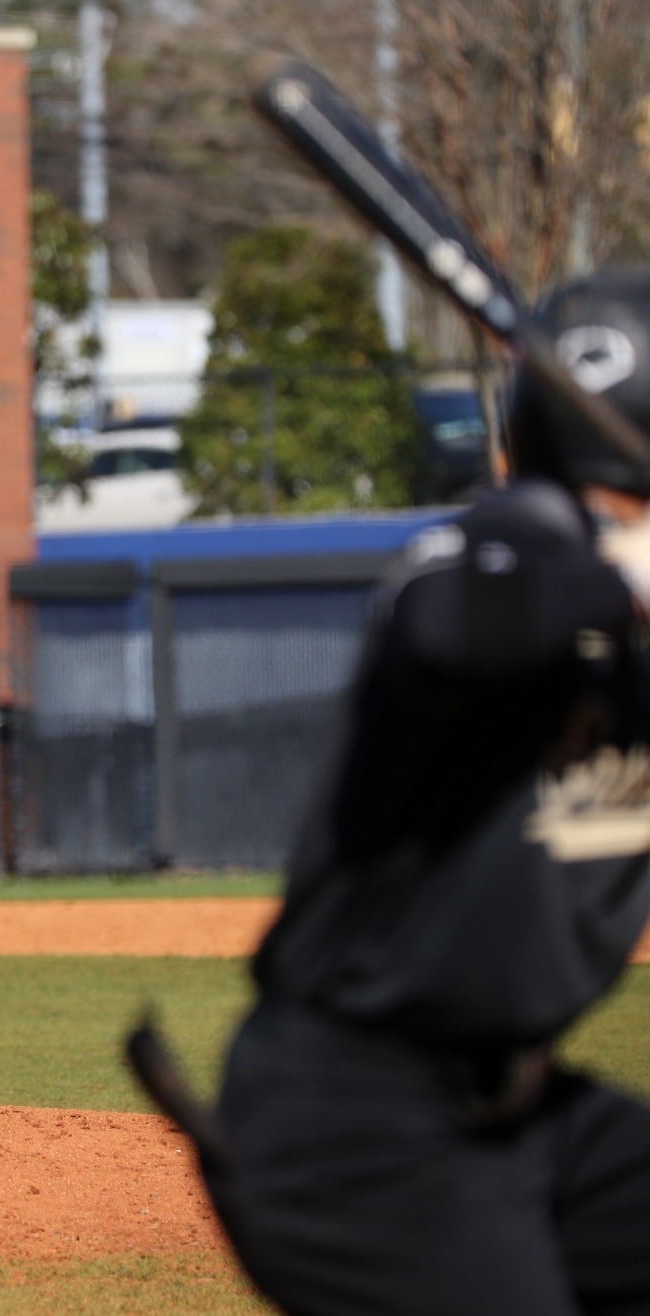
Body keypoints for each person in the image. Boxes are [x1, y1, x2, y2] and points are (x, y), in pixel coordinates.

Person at [200, 269, 650, 1313]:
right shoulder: (493, 549)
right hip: (348, 1122)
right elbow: (450, 625)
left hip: (517, 1107)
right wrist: (622, 567)